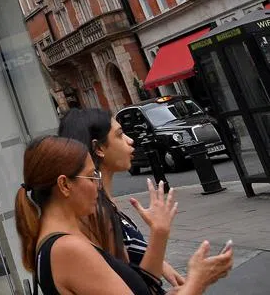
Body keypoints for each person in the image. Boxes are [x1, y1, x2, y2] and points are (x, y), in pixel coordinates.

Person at [16, 135, 232, 295]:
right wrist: (197, 280)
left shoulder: (60, 241)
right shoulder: (67, 249)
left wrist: (159, 233)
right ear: (64, 185)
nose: (97, 187)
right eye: (91, 177)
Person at [59, 107, 183, 288]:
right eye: (119, 135)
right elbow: (134, 287)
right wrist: (159, 233)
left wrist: (160, 263)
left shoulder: (103, 205)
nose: (130, 140)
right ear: (99, 148)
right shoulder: (95, 213)